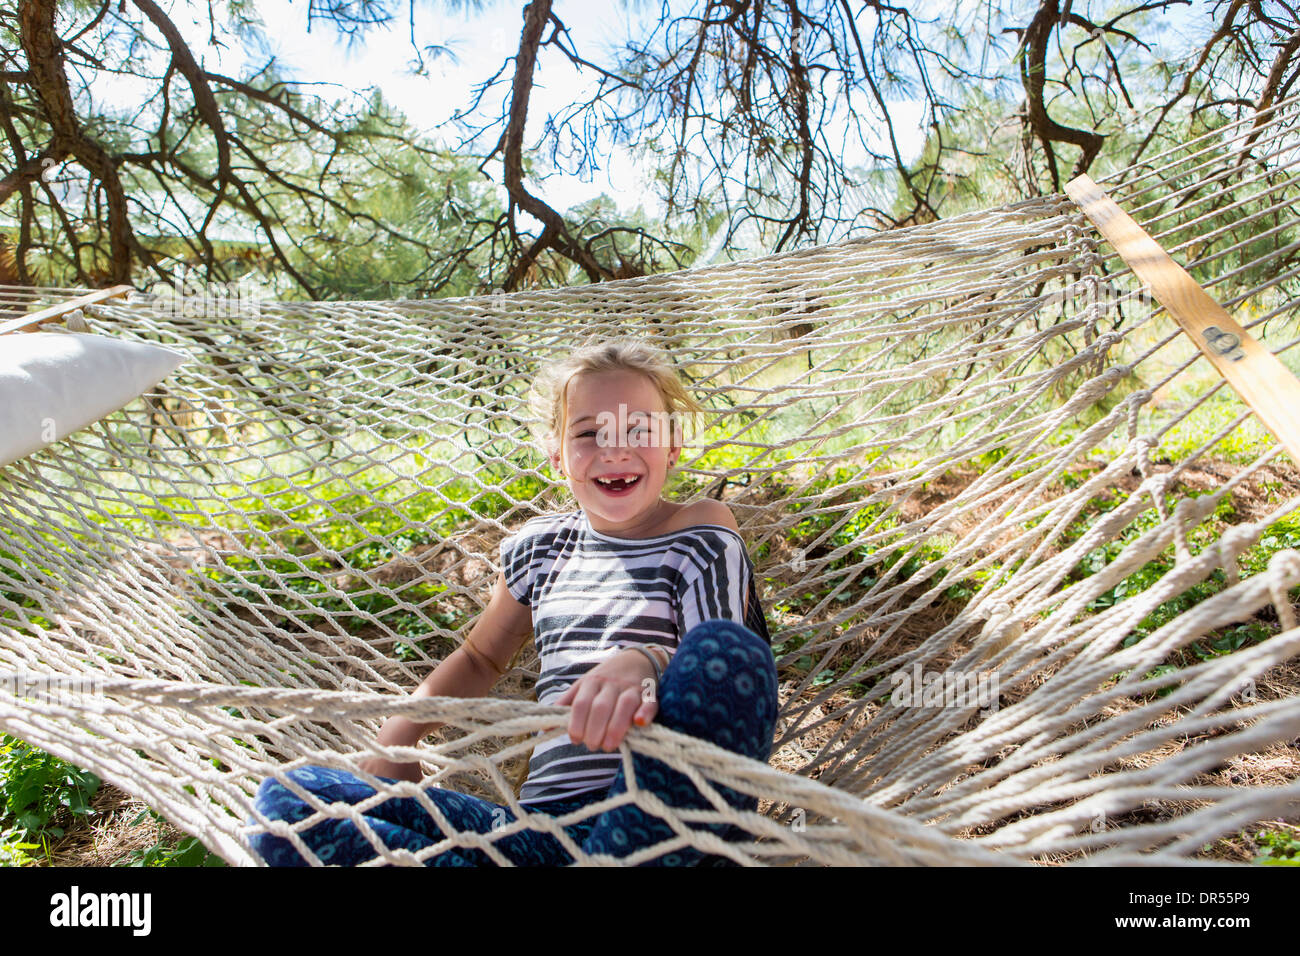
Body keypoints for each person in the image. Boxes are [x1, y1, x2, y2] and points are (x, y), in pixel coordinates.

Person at [248, 338, 778, 866]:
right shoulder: (541, 550)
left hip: (668, 814)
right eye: (589, 433)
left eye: (638, 429)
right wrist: (401, 731)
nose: (615, 449)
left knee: (725, 652)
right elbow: (481, 658)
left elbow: (730, 666)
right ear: (555, 454)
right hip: (542, 834)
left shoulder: (700, 537)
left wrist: (644, 662)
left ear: (672, 446)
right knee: (288, 805)